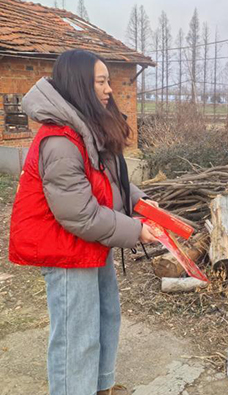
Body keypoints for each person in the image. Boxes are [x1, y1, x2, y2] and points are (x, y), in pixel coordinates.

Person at [9, 49, 160, 395]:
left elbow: (107, 177)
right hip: (65, 251)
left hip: (92, 244)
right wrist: (137, 230)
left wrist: (138, 202)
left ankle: (100, 387)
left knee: (107, 319)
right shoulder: (60, 141)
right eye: (102, 82)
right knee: (76, 336)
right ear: (80, 85)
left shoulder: (84, 128)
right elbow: (80, 213)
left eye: (109, 81)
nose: (110, 89)